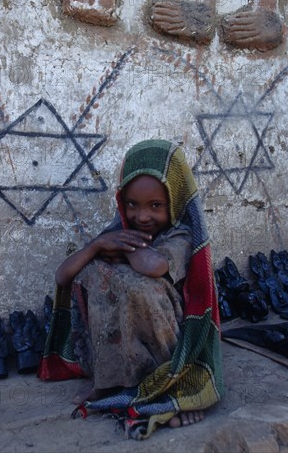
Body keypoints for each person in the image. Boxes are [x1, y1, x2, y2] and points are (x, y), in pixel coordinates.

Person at [38, 139, 224, 439]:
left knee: (139, 286)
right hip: (123, 340)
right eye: (132, 205)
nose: (142, 216)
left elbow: (153, 266)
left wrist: (121, 252)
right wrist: (97, 245)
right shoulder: (117, 234)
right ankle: (110, 381)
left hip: (171, 341)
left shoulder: (181, 235)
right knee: (96, 272)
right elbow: (63, 276)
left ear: (174, 200)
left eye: (156, 206)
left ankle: (174, 390)